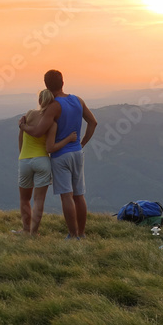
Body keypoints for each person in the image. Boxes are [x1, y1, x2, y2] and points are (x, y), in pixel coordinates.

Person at [20, 70, 98, 239]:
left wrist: (24, 127)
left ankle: (72, 234)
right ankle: (82, 235)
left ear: (46, 85)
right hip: (77, 152)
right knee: (79, 195)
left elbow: (38, 131)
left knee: (66, 196)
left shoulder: (54, 106)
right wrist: (82, 142)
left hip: (60, 155)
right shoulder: (78, 100)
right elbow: (93, 122)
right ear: (63, 82)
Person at [17, 89, 80, 236]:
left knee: (24, 198)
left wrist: (23, 155)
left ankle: (25, 229)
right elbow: (50, 148)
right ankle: (34, 233)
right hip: (43, 161)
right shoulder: (52, 123)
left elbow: (21, 136)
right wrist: (68, 139)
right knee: (38, 201)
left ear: (39, 100)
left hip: (24, 160)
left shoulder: (29, 114)